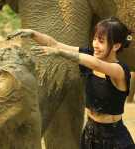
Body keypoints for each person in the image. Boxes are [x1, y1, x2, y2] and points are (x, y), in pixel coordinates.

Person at [7, 17, 135, 149]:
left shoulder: (119, 70)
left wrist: (62, 53)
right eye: (95, 39)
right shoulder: (89, 56)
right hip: (90, 133)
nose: (95, 44)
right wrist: (33, 33)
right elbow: (54, 44)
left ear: (116, 46)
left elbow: (96, 64)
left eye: (101, 41)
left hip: (113, 138)